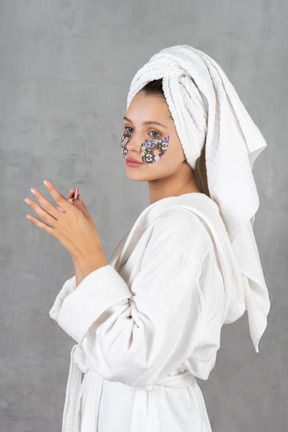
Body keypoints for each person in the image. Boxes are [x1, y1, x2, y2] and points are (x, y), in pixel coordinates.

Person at [24, 45, 270, 432]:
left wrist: (88, 251)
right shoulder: (165, 221)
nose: (134, 144)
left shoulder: (184, 230)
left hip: (150, 419)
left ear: (191, 135)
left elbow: (135, 357)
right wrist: (80, 249)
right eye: (128, 129)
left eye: (154, 133)